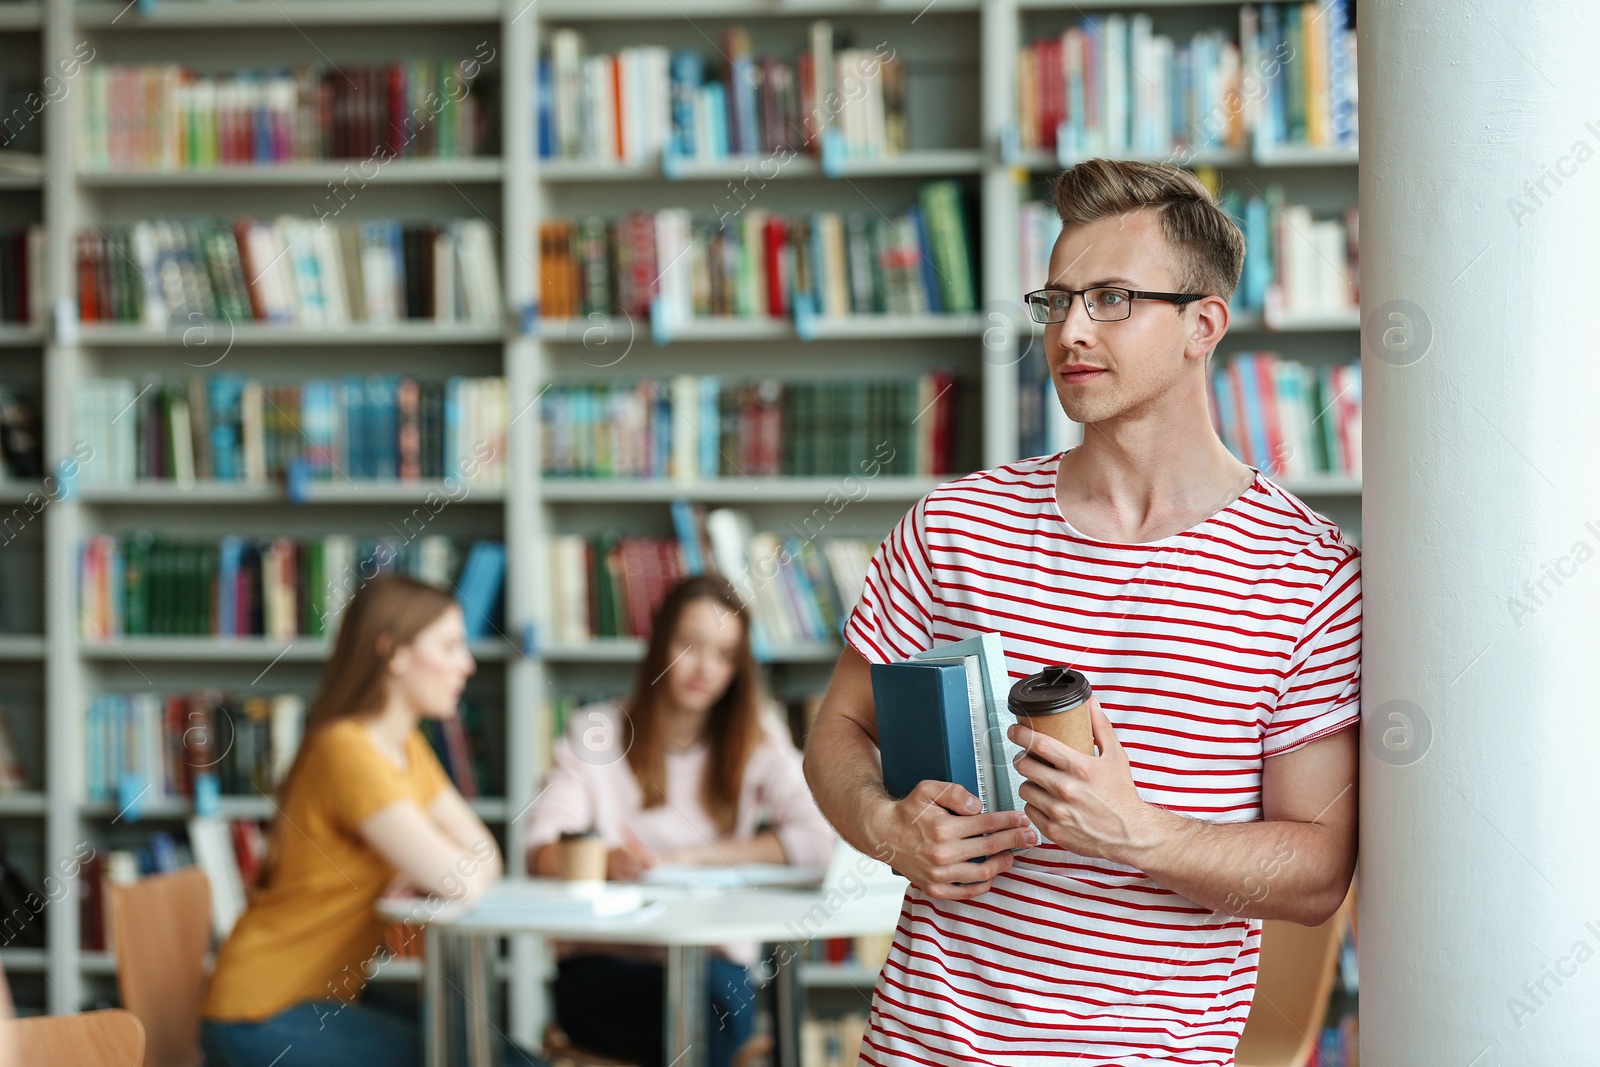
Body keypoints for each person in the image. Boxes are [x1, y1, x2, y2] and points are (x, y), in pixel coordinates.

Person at [802, 158, 1361, 1066]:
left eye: (1110, 299)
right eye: (1056, 301)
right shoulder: (953, 528)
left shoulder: (1305, 573)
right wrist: (887, 825)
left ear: (1202, 325)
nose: (1069, 330)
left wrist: (1141, 831)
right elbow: (838, 730)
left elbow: (1316, 871)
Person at [202, 574, 541, 1067]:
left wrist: (447, 869)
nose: (465, 666)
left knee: (501, 1056)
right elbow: (463, 879)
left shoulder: (406, 748)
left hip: (317, 1001)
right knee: (476, 1059)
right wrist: (442, 869)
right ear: (395, 653)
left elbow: (486, 855)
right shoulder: (346, 751)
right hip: (259, 1013)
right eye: (449, 647)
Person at [524, 574, 836, 1067]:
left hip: (712, 968)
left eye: (726, 655)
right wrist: (604, 861)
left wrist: (694, 857)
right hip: (608, 964)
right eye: (689, 645)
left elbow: (822, 839)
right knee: (693, 1027)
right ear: (658, 644)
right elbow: (538, 849)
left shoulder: (757, 737)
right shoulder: (597, 732)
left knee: (708, 1012)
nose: (705, 669)